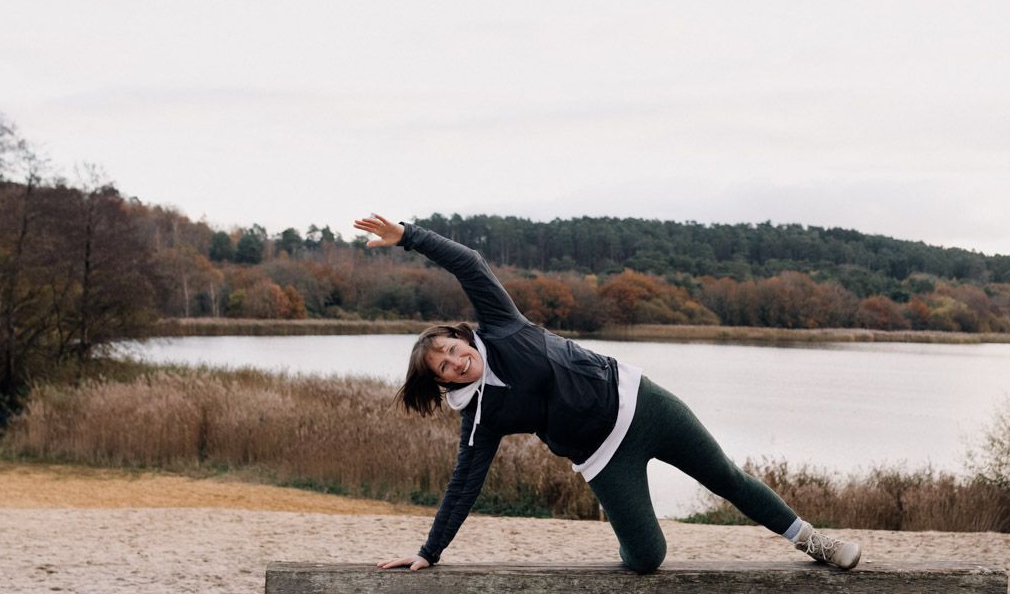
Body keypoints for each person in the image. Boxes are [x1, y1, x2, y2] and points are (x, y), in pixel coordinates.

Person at [355, 214, 863, 574]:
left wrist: (409, 236)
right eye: (443, 367)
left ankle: (814, 541)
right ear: (443, 383)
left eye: (451, 349)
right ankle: (632, 535)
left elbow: (470, 264)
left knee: (726, 477)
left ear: (462, 337)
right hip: (600, 456)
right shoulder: (481, 418)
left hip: (644, 405)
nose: (455, 361)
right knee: (646, 560)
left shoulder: (503, 326)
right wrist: (429, 552)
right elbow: (463, 485)